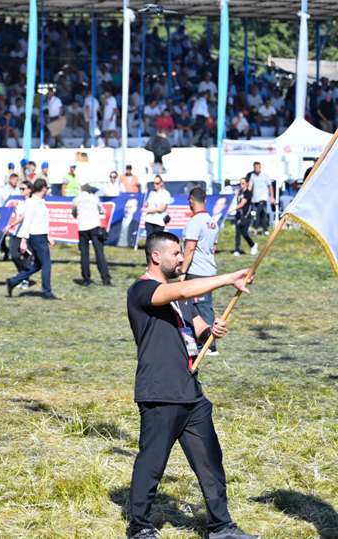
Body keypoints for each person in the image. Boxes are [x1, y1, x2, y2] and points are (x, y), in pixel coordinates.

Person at [126, 231, 257, 539]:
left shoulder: (180, 299)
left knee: (210, 462)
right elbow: (183, 290)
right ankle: (140, 527)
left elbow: (198, 330)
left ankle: (221, 527)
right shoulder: (142, 290)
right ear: (156, 256)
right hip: (160, 392)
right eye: (175, 253)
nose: (181, 258)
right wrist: (228, 278)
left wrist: (212, 331)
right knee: (152, 463)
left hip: (191, 393)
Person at [180, 186, 220, 354]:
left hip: (197, 271)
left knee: (201, 308)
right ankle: (201, 341)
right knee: (202, 306)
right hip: (209, 269)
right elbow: (214, 247)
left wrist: (182, 271)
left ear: (191, 201)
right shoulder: (212, 222)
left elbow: (190, 248)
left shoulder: (195, 222)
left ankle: (209, 345)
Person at [6, 177, 55, 300]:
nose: (47, 190)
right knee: (47, 264)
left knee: (37, 265)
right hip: (36, 237)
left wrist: (48, 236)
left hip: (41, 235)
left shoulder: (41, 202)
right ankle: (47, 292)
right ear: (43, 188)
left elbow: (42, 221)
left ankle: (13, 281)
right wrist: (23, 241)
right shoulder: (31, 202)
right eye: (47, 188)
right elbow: (27, 222)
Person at [73, 184, 111, 286]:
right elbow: (102, 210)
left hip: (82, 228)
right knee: (99, 253)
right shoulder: (94, 198)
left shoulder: (76, 200)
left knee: (84, 255)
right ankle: (105, 279)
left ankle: (86, 279)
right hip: (94, 226)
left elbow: (74, 213)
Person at [231, 177, 256, 255]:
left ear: (247, 184)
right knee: (237, 233)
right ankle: (237, 250)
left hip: (246, 215)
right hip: (238, 215)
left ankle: (253, 245)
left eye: (243, 183)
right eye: (240, 183)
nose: (241, 185)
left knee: (244, 232)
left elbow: (242, 204)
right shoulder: (239, 192)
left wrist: (232, 209)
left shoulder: (248, 193)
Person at [247, 161, 274, 234]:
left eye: (258, 167)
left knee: (257, 213)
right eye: (255, 167)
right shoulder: (252, 176)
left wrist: (272, 197)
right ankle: (265, 230)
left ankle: (255, 229)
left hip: (263, 198)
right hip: (255, 199)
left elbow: (270, 186)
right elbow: (250, 187)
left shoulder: (265, 176)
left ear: (260, 167)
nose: (256, 169)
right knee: (263, 214)